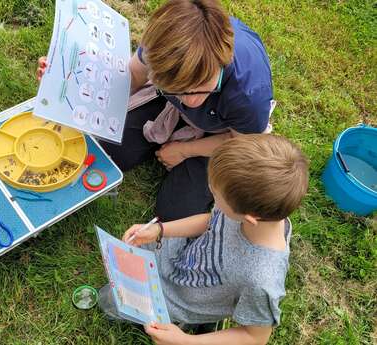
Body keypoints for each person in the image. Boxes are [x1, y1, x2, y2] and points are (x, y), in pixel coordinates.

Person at [37, 0, 275, 222]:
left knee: (176, 213)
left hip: (220, 135)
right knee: (104, 152)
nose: (188, 99)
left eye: (197, 91)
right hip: (167, 105)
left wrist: (185, 150)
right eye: (176, 89)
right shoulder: (163, 43)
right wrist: (66, 83)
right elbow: (134, 77)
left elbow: (240, 144)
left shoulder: (249, 93)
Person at [100, 134, 309, 345]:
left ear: (249, 218)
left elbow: (254, 337)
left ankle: (180, 323)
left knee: (111, 300)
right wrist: (160, 230)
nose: (210, 193)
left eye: (216, 195)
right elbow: (212, 221)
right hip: (181, 258)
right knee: (125, 259)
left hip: (182, 301)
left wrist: (183, 341)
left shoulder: (260, 280)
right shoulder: (257, 212)